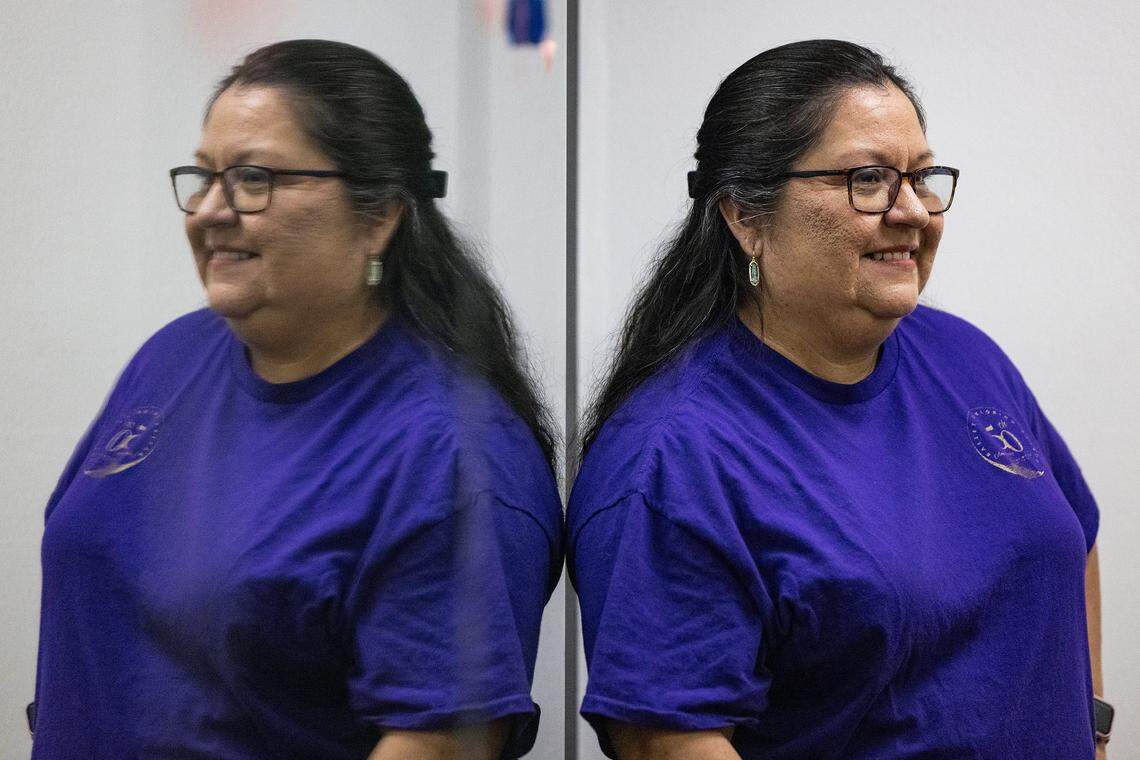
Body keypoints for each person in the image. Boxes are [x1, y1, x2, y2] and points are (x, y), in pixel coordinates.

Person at [568, 39, 1107, 759]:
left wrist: (1093, 727)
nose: (913, 211)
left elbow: (1071, 538)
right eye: (868, 179)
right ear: (744, 217)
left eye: (922, 177)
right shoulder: (673, 457)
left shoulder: (965, 357)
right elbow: (670, 739)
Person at [31, 39, 562, 760]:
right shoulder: (173, 357)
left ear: (379, 215)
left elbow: (435, 742)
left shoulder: (448, 453)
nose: (210, 212)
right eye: (205, 176)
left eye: (253, 179)